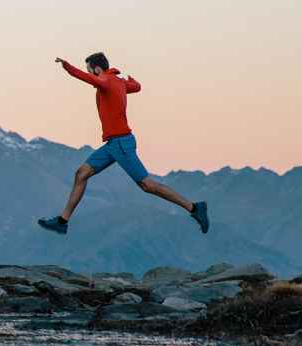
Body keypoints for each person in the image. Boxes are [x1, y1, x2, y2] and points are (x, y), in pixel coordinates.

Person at [38, 52, 210, 236]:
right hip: (113, 145)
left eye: (90, 70)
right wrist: (131, 80)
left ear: (97, 69)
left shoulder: (105, 80)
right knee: (81, 174)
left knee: (147, 185)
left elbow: (88, 79)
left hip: (121, 143)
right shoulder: (118, 82)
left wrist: (67, 67)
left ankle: (194, 208)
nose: (90, 74)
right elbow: (136, 87)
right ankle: (62, 222)